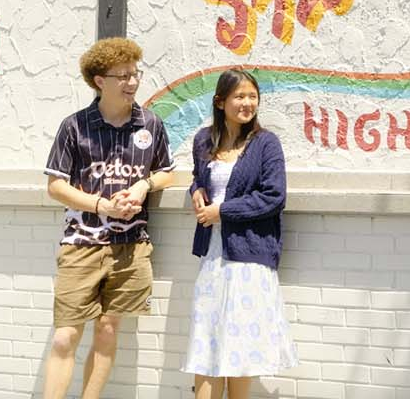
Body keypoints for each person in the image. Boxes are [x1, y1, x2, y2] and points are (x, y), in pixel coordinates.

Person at [41, 37, 175, 399]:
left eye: (135, 74)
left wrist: (144, 186)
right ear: (100, 80)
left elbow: (167, 172)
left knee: (108, 329)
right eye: (123, 76)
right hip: (81, 244)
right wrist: (102, 206)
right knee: (66, 334)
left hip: (130, 246)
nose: (132, 82)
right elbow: (56, 186)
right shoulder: (75, 127)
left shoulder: (150, 124)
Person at [183, 68, 298, 399]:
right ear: (221, 102)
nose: (247, 103)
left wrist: (222, 211)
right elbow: (199, 177)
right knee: (206, 339)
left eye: (252, 96)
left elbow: (274, 196)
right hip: (212, 254)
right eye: (239, 96)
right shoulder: (204, 140)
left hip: (249, 256)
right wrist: (196, 191)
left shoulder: (266, 143)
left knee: (240, 347)